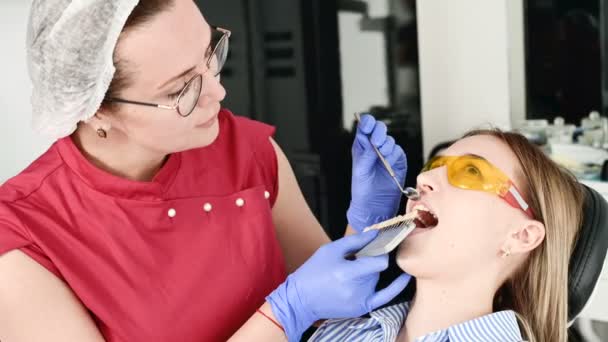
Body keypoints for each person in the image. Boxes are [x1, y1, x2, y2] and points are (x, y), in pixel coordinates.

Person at [0, 1, 410, 341]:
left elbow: (332, 319)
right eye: (180, 89)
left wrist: (365, 231)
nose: (218, 91)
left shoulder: (247, 149)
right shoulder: (23, 233)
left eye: (209, 54)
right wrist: (285, 313)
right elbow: (302, 305)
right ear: (96, 112)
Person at [309, 129, 584, 342]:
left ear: (522, 236)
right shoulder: (351, 328)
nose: (422, 180)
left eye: (471, 171)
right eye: (432, 167)